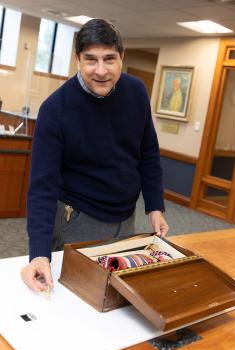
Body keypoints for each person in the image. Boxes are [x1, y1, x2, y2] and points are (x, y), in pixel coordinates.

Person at [21, 19, 169, 293]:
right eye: (90, 59)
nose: (101, 71)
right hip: (78, 221)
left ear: (121, 57)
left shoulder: (136, 92)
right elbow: (42, 188)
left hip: (126, 218)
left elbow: (147, 152)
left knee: (116, 294)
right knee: (76, 297)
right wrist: (39, 254)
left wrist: (154, 206)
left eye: (109, 59)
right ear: (77, 59)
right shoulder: (55, 110)